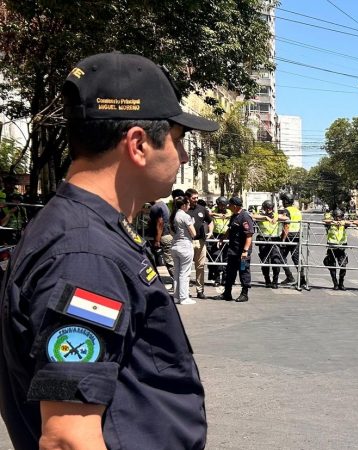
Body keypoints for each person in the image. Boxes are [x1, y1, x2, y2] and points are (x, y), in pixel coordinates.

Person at [0, 52, 216, 449]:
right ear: (137, 144)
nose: (183, 156)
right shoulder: (85, 254)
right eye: (179, 140)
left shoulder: (83, 229)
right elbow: (68, 438)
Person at [218, 196, 254, 302]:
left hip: (242, 251)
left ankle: (244, 294)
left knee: (243, 271)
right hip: (233, 250)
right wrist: (223, 238)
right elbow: (230, 229)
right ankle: (227, 293)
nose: (228, 207)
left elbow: (249, 235)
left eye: (229, 205)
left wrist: (245, 251)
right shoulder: (234, 216)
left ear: (234, 206)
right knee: (230, 272)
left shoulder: (245, 217)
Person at [185, 188, 212, 299]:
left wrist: (210, 232)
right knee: (186, 267)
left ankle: (200, 290)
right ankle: (185, 290)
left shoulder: (202, 209)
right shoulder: (183, 210)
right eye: (193, 198)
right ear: (188, 198)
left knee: (200, 266)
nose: (196, 200)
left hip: (200, 242)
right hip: (187, 242)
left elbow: (210, 221)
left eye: (197, 198)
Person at [170, 195, 197, 305]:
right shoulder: (185, 216)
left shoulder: (173, 216)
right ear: (183, 205)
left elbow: (172, 232)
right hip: (185, 245)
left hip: (175, 244)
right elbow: (193, 233)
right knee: (184, 273)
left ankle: (176, 296)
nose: (189, 206)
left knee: (176, 272)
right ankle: (183, 297)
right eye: (188, 204)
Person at [279, 192, 309, 290]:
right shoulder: (297, 211)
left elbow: (286, 226)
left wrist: (283, 239)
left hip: (289, 236)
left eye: (283, 200)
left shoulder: (286, 210)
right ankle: (302, 280)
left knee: (281, 256)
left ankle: (290, 277)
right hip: (297, 235)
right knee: (297, 259)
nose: (282, 202)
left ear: (286, 201)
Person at [252, 200, 283, 288]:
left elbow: (286, 218)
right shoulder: (261, 215)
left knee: (276, 260)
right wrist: (265, 217)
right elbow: (253, 216)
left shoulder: (276, 215)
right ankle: (267, 280)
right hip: (264, 239)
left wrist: (277, 217)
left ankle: (275, 281)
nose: (268, 210)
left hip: (275, 239)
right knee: (265, 260)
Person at [323, 209, 350, 290]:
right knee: (332, 266)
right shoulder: (330, 224)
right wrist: (333, 222)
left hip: (341, 248)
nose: (338, 219)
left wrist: (343, 222)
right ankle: (335, 283)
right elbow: (324, 221)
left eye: (340, 217)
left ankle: (341, 283)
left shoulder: (343, 224)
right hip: (332, 247)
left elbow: (351, 222)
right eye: (337, 217)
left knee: (343, 265)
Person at [208, 196, 231, 286]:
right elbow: (209, 214)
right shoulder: (214, 209)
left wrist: (225, 215)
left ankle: (225, 278)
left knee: (226, 257)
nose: (222, 207)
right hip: (216, 235)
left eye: (224, 205)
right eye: (221, 205)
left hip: (226, 235)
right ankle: (217, 277)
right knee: (215, 256)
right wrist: (219, 215)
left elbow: (231, 215)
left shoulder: (229, 211)